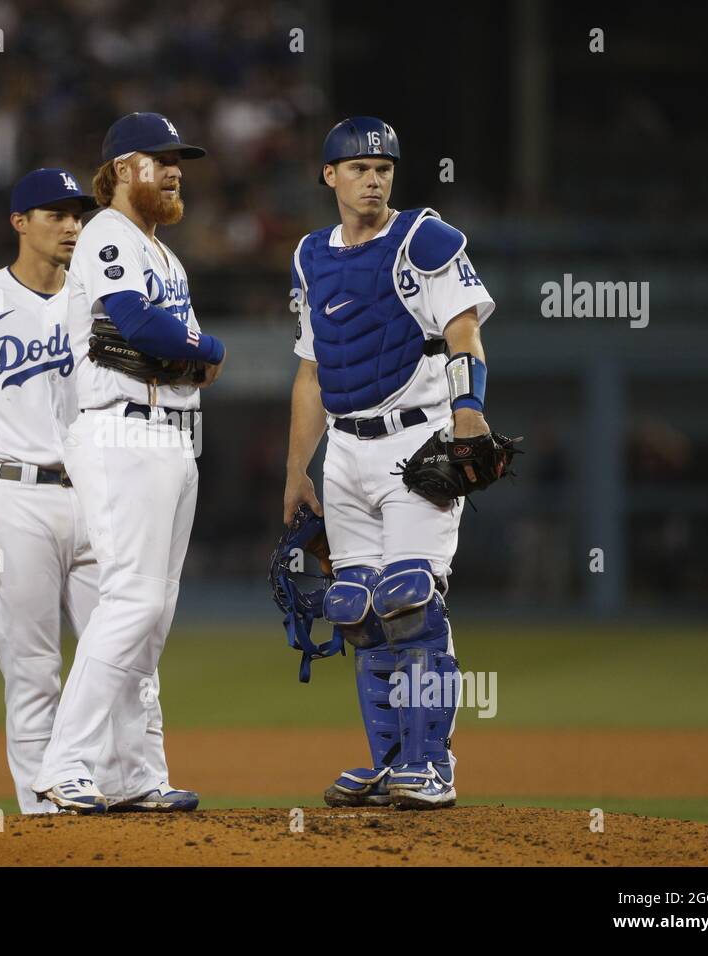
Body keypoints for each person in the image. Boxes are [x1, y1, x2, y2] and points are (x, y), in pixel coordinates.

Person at [0, 168, 164, 813]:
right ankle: (42, 815)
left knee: (123, 652)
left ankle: (133, 786)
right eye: (55, 214)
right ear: (19, 223)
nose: (71, 226)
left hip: (99, 489)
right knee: (32, 673)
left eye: (77, 215)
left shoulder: (102, 297)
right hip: (14, 494)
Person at [283, 118, 496, 810]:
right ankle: (392, 763)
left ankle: (433, 766)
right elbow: (312, 373)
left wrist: (469, 410)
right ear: (330, 177)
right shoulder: (310, 255)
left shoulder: (423, 238)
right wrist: (297, 471)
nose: (373, 177)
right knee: (357, 611)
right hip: (343, 448)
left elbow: (464, 328)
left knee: (411, 597)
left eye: (383, 167)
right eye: (359, 167)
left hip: (416, 439)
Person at [29, 113, 225, 813]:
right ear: (119, 169)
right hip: (120, 432)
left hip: (173, 436)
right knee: (132, 601)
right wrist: (204, 351)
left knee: (155, 613)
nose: (175, 171)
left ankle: (134, 772)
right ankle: (65, 763)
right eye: (160, 159)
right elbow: (140, 328)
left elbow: (177, 340)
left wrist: (189, 351)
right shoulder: (108, 233)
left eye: (180, 160)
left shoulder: (164, 255)